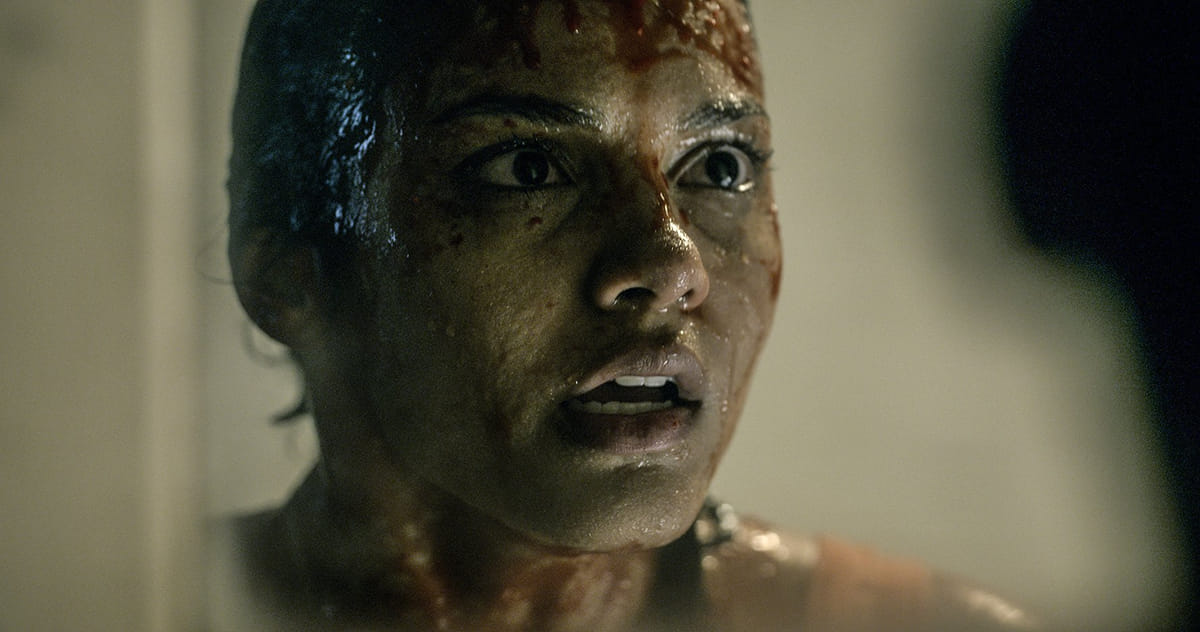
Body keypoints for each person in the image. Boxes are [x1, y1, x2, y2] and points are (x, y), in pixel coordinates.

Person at [218, 0, 1041, 629]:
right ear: (288, 275)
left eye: (720, 165)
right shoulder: (151, 598)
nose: (673, 265)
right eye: (529, 167)